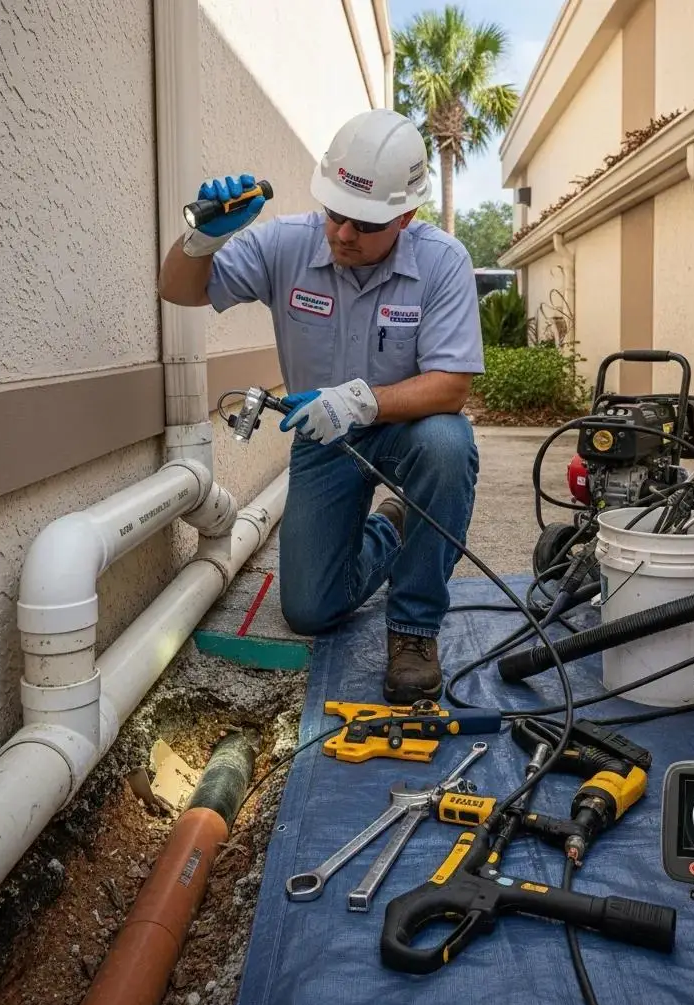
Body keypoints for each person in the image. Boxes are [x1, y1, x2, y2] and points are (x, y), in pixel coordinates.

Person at [158, 109, 483, 704]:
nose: (343, 234)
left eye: (364, 223)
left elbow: (451, 387)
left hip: (404, 431)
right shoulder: (286, 244)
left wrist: (360, 401)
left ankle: (412, 629)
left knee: (448, 444)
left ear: (406, 217)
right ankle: (392, 528)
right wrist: (202, 237)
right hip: (324, 443)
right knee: (308, 610)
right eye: (335, 213)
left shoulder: (442, 262)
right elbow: (178, 289)